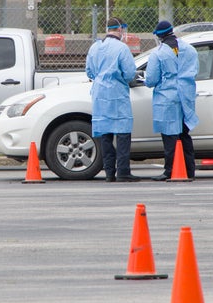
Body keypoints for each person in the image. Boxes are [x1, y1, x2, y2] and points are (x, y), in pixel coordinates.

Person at [85, 17, 139, 182]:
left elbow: (89, 71)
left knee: (105, 134)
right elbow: (130, 73)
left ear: (107, 28)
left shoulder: (95, 47)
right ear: (121, 29)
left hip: (100, 94)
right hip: (117, 94)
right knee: (122, 133)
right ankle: (123, 171)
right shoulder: (122, 48)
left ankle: (109, 173)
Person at [145, 20, 199, 180]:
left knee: (170, 136)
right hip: (186, 95)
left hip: (167, 98)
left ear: (159, 36)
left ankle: (170, 171)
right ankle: (189, 170)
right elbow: (195, 71)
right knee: (184, 134)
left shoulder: (158, 54)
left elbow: (151, 79)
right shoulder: (189, 49)